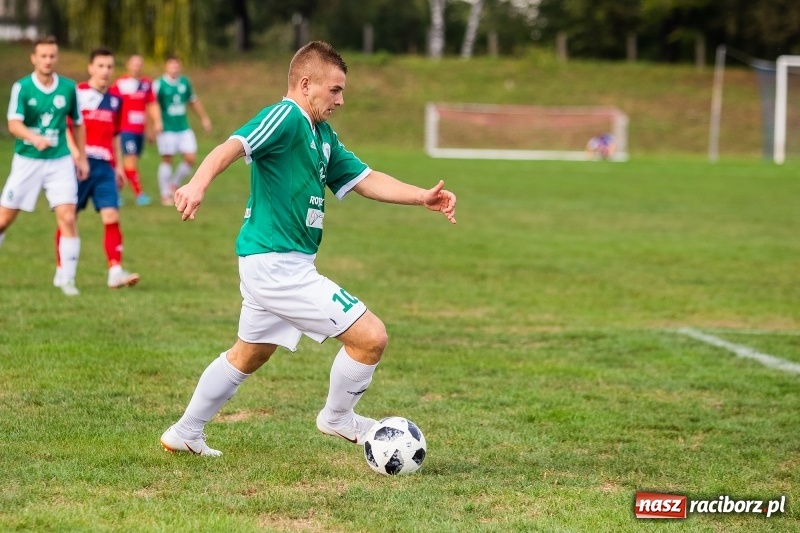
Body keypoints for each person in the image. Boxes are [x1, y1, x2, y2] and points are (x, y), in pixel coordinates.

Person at [160, 41, 457, 456]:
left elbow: (365, 178)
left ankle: (185, 431)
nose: (340, 99)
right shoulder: (286, 116)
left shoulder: (322, 135)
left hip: (280, 262)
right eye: (334, 90)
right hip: (277, 265)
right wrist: (197, 183)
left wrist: (421, 196)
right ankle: (337, 417)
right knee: (371, 337)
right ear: (304, 84)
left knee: (249, 353)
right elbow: (234, 145)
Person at [0, 35, 88, 296]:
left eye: (52, 56)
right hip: (27, 161)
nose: (48, 61)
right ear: (34, 58)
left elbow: (78, 123)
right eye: (43, 56)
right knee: (3, 220)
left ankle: (67, 279)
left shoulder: (69, 88)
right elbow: (14, 124)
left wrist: (80, 157)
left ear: (56, 58)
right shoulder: (22, 87)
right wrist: (33, 137)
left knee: (68, 216)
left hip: (59, 161)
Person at [62, 47, 140, 290]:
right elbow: (66, 127)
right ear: (90, 68)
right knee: (68, 218)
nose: (105, 71)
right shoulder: (77, 94)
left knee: (111, 215)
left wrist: (117, 167)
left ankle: (115, 271)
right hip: (78, 165)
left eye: (109, 66)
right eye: (100, 66)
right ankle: (62, 271)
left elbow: (116, 135)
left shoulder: (116, 100)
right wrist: (77, 156)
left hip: (105, 166)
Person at [153, 54, 212, 206]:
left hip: (183, 127)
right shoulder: (159, 84)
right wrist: (154, 123)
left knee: (191, 158)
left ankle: (173, 184)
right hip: (167, 128)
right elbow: (151, 106)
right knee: (167, 159)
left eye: (177, 65)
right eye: (171, 65)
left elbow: (193, 101)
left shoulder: (185, 82)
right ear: (166, 66)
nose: (174, 67)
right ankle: (165, 194)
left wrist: (204, 118)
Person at [112, 54, 163, 206]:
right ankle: (139, 194)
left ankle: (115, 193)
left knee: (132, 161)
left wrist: (157, 122)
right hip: (125, 128)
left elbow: (152, 104)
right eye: (134, 64)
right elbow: (112, 106)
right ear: (128, 65)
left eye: (139, 64)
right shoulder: (121, 84)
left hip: (139, 130)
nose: (137, 67)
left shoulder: (147, 84)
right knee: (130, 159)